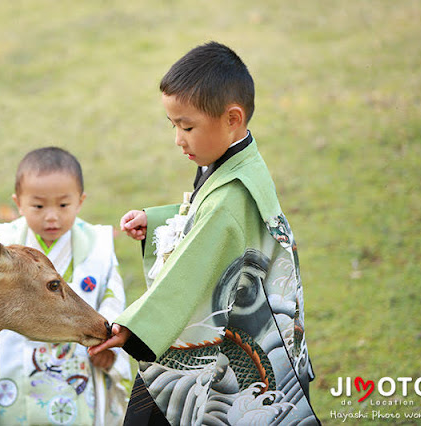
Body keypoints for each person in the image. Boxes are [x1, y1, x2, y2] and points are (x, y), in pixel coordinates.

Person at [89, 42, 320, 425]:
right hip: (257, 328)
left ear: (232, 118)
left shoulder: (230, 196)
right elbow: (214, 226)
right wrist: (161, 220)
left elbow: (195, 264)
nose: (178, 139)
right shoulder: (240, 161)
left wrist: (135, 326)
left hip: (232, 339)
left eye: (187, 126)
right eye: (173, 125)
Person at [0, 147, 132, 426]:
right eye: (38, 206)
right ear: (18, 203)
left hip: (78, 364)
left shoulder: (97, 245)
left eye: (63, 205)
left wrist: (110, 348)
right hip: (12, 364)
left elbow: (112, 297)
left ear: (80, 201)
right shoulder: (2, 244)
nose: (52, 216)